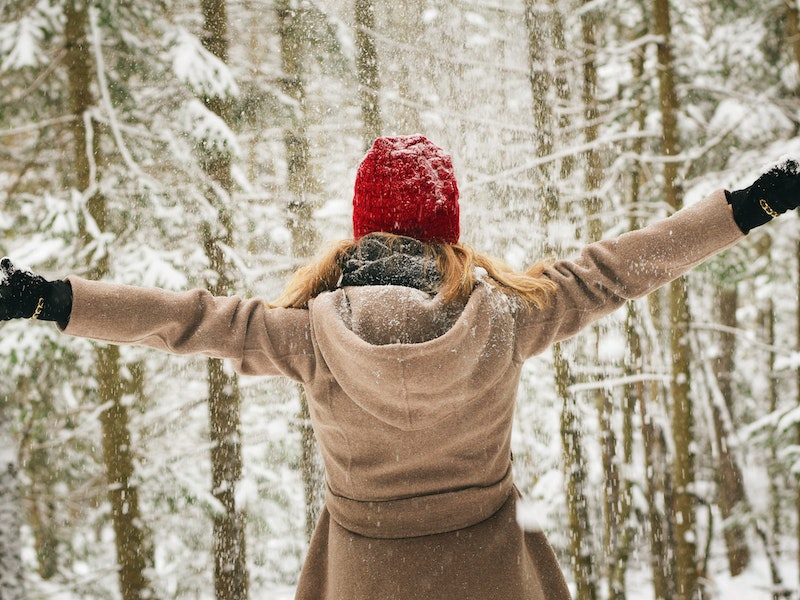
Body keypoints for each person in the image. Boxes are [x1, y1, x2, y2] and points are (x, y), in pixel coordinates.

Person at [1, 135, 799, 599]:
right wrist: (755, 202)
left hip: (363, 577)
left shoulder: (308, 335)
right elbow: (623, 268)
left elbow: (182, 321)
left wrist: (45, 298)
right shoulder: (509, 318)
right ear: (448, 230)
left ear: (359, 232)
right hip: (491, 580)